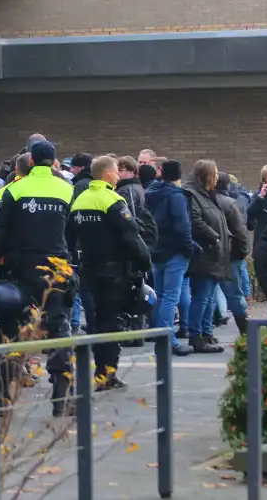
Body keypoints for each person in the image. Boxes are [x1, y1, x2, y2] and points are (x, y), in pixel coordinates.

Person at [0, 140, 77, 416]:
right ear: (54, 163)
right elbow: (73, 234)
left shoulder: (14, 190)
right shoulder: (68, 189)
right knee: (59, 327)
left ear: (30, 162)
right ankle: (62, 398)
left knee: (12, 328)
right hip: (57, 268)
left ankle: (2, 398)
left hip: (22, 268)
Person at [67, 156, 151, 389]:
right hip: (114, 273)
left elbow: (69, 238)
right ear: (107, 174)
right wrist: (145, 263)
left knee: (96, 323)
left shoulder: (80, 200)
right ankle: (107, 374)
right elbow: (131, 235)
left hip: (88, 272)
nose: (116, 176)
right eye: (114, 172)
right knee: (112, 323)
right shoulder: (113, 199)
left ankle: (101, 372)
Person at [145, 160, 196, 357]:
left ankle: (160, 337)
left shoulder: (151, 194)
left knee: (159, 295)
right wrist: (191, 248)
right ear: (178, 176)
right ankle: (168, 340)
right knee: (171, 297)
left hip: (157, 250)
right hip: (175, 251)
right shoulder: (176, 196)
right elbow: (182, 225)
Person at [183, 161, 229, 353]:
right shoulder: (192, 195)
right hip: (204, 254)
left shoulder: (207, 195)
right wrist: (214, 236)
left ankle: (205, 333)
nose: (217, 177)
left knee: (209, 298)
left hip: (214, 254)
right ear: (207, 175)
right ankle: (196, 336)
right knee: (201, 298)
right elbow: (194, 220)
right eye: (215, 173)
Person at [215, 172, 251, 334]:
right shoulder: (230, 204)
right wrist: (243, 252)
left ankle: (203, 334)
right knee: (235, 294)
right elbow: (241, 232)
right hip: (231, 255)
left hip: (210, 255)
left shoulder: (203, 201)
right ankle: (245, 332)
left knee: (206, 296)